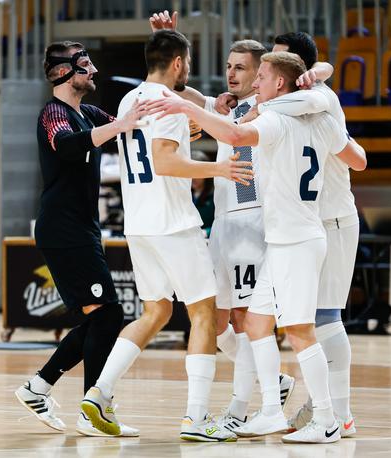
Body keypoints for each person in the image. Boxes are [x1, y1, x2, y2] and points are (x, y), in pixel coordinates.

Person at [147, 51, 365, 443]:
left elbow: (233, 137)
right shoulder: (322, 118)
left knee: (300, 331)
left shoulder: (276, 121)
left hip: (296, 239)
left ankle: (329, 419)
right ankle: (269, 410)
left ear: (279, 83)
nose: (257, 83)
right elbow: (358, 160)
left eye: (261, 76)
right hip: (285, 237)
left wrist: (183, 106)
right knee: (256, 324)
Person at [80, 30, 253, 442]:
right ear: (179, 63)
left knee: (155, 313)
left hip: (139, 225)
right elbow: (166, 161)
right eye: (187, 64)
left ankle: (99, 393)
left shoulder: (129, 99)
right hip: (172, 223)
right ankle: (196, 417)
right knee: (203, 314)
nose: (188, 71)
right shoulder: (170, 104)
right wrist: (217, 168)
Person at [148, 12, 296, 433]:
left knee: (247, 322)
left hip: (254, 222)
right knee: (214, 322)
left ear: (261, 75)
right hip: (225, 224)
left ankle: (239, 405)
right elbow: (188, 97)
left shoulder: (267, 108)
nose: (231, 73)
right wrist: (166, 43)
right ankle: (274, 380)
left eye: (241, 68)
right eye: (229, 66)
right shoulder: (229, 107)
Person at [14, 41, 147, 437]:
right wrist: (119, 126)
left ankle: (38, 388)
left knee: (101, 317)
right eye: (85, 66)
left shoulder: (87, 112)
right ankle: (93, 405)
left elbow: (128, 127)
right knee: (107, 315)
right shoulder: (52, 114)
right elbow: (67, 146)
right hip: (63, 227)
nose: (93, 72)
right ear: (63, 73)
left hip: (81, 226)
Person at [254, 31, 366, 438]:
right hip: (308, 221)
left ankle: (339, 412)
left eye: (279, 62)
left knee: (324, 317)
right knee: (284, 318)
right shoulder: (291, 101)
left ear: (298, 70)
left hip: (332, 218)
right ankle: (306, 407)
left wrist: (320, 72)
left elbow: (359, 159)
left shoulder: (318, 97)